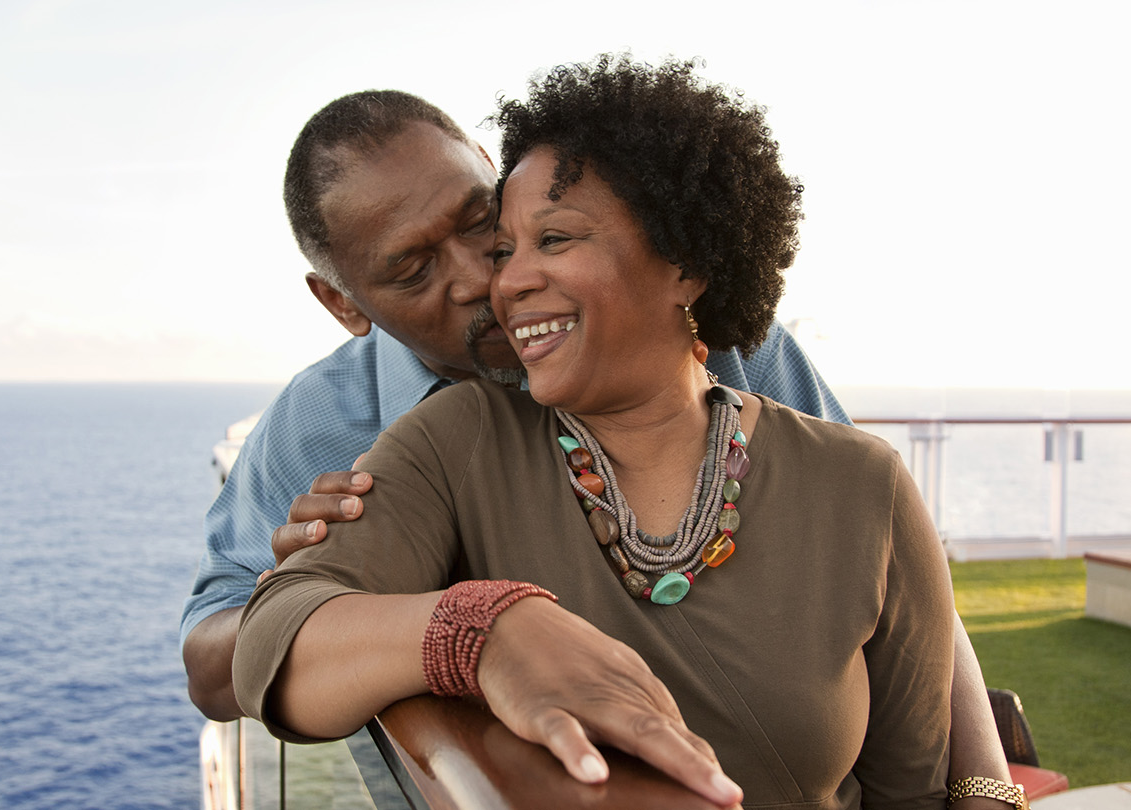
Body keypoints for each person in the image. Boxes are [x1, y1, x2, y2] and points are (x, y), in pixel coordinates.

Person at [235, 55, 963, 810]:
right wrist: (478, 632)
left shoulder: (862, 481)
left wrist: (991, 785)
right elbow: (265, 643)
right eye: (508, 247)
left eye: (552, 240)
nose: (501, 281)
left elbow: (914, 788)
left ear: (685, 260)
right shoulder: (458, 438)